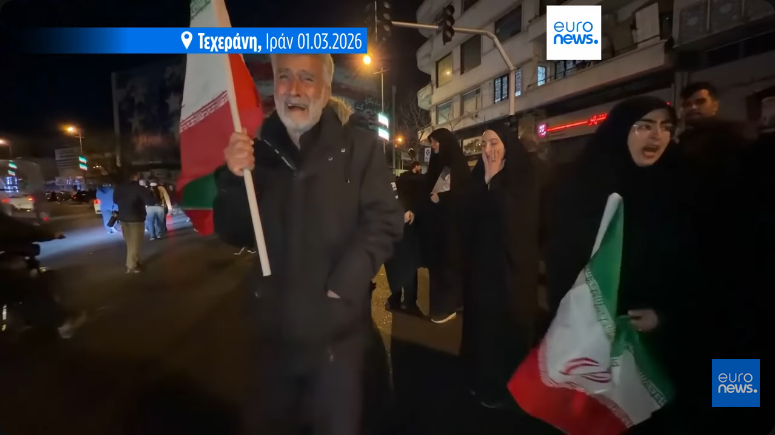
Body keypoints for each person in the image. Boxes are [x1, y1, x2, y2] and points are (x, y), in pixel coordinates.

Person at [212, 53, 403, 435]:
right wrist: (233, 178)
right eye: (284, 77)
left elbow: (385, 221)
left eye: (307, 78)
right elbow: (233, 230)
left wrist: (343, 283)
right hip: (273, 341)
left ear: (326, 90)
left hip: (337, 340)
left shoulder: (360, 150)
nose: (294, 89)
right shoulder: (255, 154)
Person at [545, 97, 690, 431]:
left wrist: (665, 316)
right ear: (620, 130)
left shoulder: (680, 188)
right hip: (592, 339)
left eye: (665, 127)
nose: (656, 135)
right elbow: (563, 263)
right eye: (644, 126)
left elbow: (695, 270)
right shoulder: (584, 188)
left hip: (657, 345)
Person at [461, 125, 541, 409]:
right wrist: (484, 182)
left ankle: (505, 388)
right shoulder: (478, 174)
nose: (487, 150)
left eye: (493, 143)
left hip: (511, 272)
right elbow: (467, 215)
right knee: (480, 328)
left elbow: (515, 224)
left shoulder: (523, 176)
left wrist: (493, 182)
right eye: (483, 144)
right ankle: (478, 379)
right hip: (481, 270)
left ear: (507, 145)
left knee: (504, 330)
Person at [422, 128, 473, 323]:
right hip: (437, 227)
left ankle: (449, 305)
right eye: (432, 142)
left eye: (435, 141)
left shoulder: (455, 165)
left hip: (453, 229)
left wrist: (441, 199)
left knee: (449, 266)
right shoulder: (438, 164)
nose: (433, 145)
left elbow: (461, 195)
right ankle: (442, 305)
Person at [383, 162, 423, 315]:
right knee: (398, 266)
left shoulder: (391, 181)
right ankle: (403, 300)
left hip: (400, 233)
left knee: (403, 265)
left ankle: (405, 300)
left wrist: (408, 211)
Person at [113, 173, 155, 273]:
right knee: (135, 243)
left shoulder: (118, 188)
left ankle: (136, 262)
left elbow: (115, 201)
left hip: (123, 218)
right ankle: (131, 265)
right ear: (135, 177)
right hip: (136, 218)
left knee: (130, 243)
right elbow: (151, 201)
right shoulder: (139, 188)